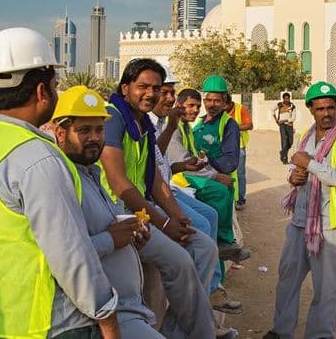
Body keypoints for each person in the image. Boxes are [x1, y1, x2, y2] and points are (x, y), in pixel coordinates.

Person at [0, 27, 121, 339]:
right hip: (46, 324)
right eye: (55, 86)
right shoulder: (37, 157)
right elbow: (70, 254)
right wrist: (106, 315)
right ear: (42, 92)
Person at [99, 58, 227, 339]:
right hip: (118, 218)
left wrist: (177, 217)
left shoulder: (141, 122)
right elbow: (119, 182)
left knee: (203, 246)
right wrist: (165, 222)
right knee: (179, 261)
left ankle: (178, 331)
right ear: (125, 88)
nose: (151, 93)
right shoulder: (114, 118)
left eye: (156, 88)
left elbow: (155, 178)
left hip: (141, 212)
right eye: (143, 86)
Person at [52, 85, 164, 338]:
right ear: (60, 133)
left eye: (99, 129)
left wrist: (133, 238)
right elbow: (62, 256)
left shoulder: (92, 173)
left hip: (128, 308)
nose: (94, 137)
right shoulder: (62, 181)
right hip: (103, 316)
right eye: (84, 130)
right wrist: (111, 239)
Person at [264, 81, 336, 339]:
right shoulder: (305, 137)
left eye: (331, 108)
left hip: (329, 224)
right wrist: (293, 177)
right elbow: (296, 167)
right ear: (310, 109)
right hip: (300, 220)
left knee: (326, 290)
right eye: (320, 109)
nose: (327, 113)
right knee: (287, 280)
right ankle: (281, 331)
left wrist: (310, 165)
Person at [148, 66, 243, 316]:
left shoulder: (223, 124)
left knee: (211, 215)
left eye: (213, 101)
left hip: (174, 183)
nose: (207, 106)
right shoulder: (158, 123)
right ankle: (197, 300)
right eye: (163, 93)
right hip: (165, 189)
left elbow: (163, 162)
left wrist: (186, 165)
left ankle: (211, 287)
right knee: (200, 221)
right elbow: (152, 169)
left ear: (225, 102)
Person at [171, 78, 249, 262]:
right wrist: (211, 171)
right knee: (210, 221)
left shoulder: (228, 124)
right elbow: (185, 158)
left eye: (217, 101)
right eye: (208, 100)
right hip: (191, 178)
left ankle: (223, 250)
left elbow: (230, 163)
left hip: (213, 179)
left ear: (225, 102)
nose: (210, 105)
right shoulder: (194, 124)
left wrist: (211, 166)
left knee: (218, 208)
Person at [225, 93, 253, 210]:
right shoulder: (220, 110)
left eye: (224, 105)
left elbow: (250, 125)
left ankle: (241, 199)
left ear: (229, 103)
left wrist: (234, 127)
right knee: (227, 173)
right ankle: (229, 198)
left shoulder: (241, 109)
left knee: (240, 174)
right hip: (225, 146)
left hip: (239, 146)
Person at [273, 92, 296, 164]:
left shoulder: (292, 106)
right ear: (283, 99)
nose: (287, 100)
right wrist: (276, 120)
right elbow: (272, 110)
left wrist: (285, 120)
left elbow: (293, 118)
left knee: (290, 142)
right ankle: (285, 158)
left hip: (289, 125)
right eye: (285, 98)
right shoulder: (279, 105)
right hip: (282, 126)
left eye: (288, 98)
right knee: (284, 141)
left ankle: (282, 152)